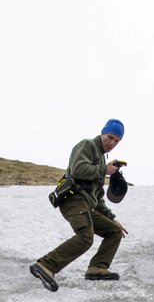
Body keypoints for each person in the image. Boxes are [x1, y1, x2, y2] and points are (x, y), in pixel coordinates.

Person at [30, 119, 129, 292]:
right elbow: (78, 170)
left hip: (87, 204)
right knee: (85, 236)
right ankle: (46, 265)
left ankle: (97, 268)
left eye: (116, 141)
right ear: (103, 132)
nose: (112, 143)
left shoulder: (100, 158)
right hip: (73, 200)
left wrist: (112, 218)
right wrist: (103, 170)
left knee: (114, 231)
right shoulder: (87, 145)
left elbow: (97, 199)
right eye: (110, 137)